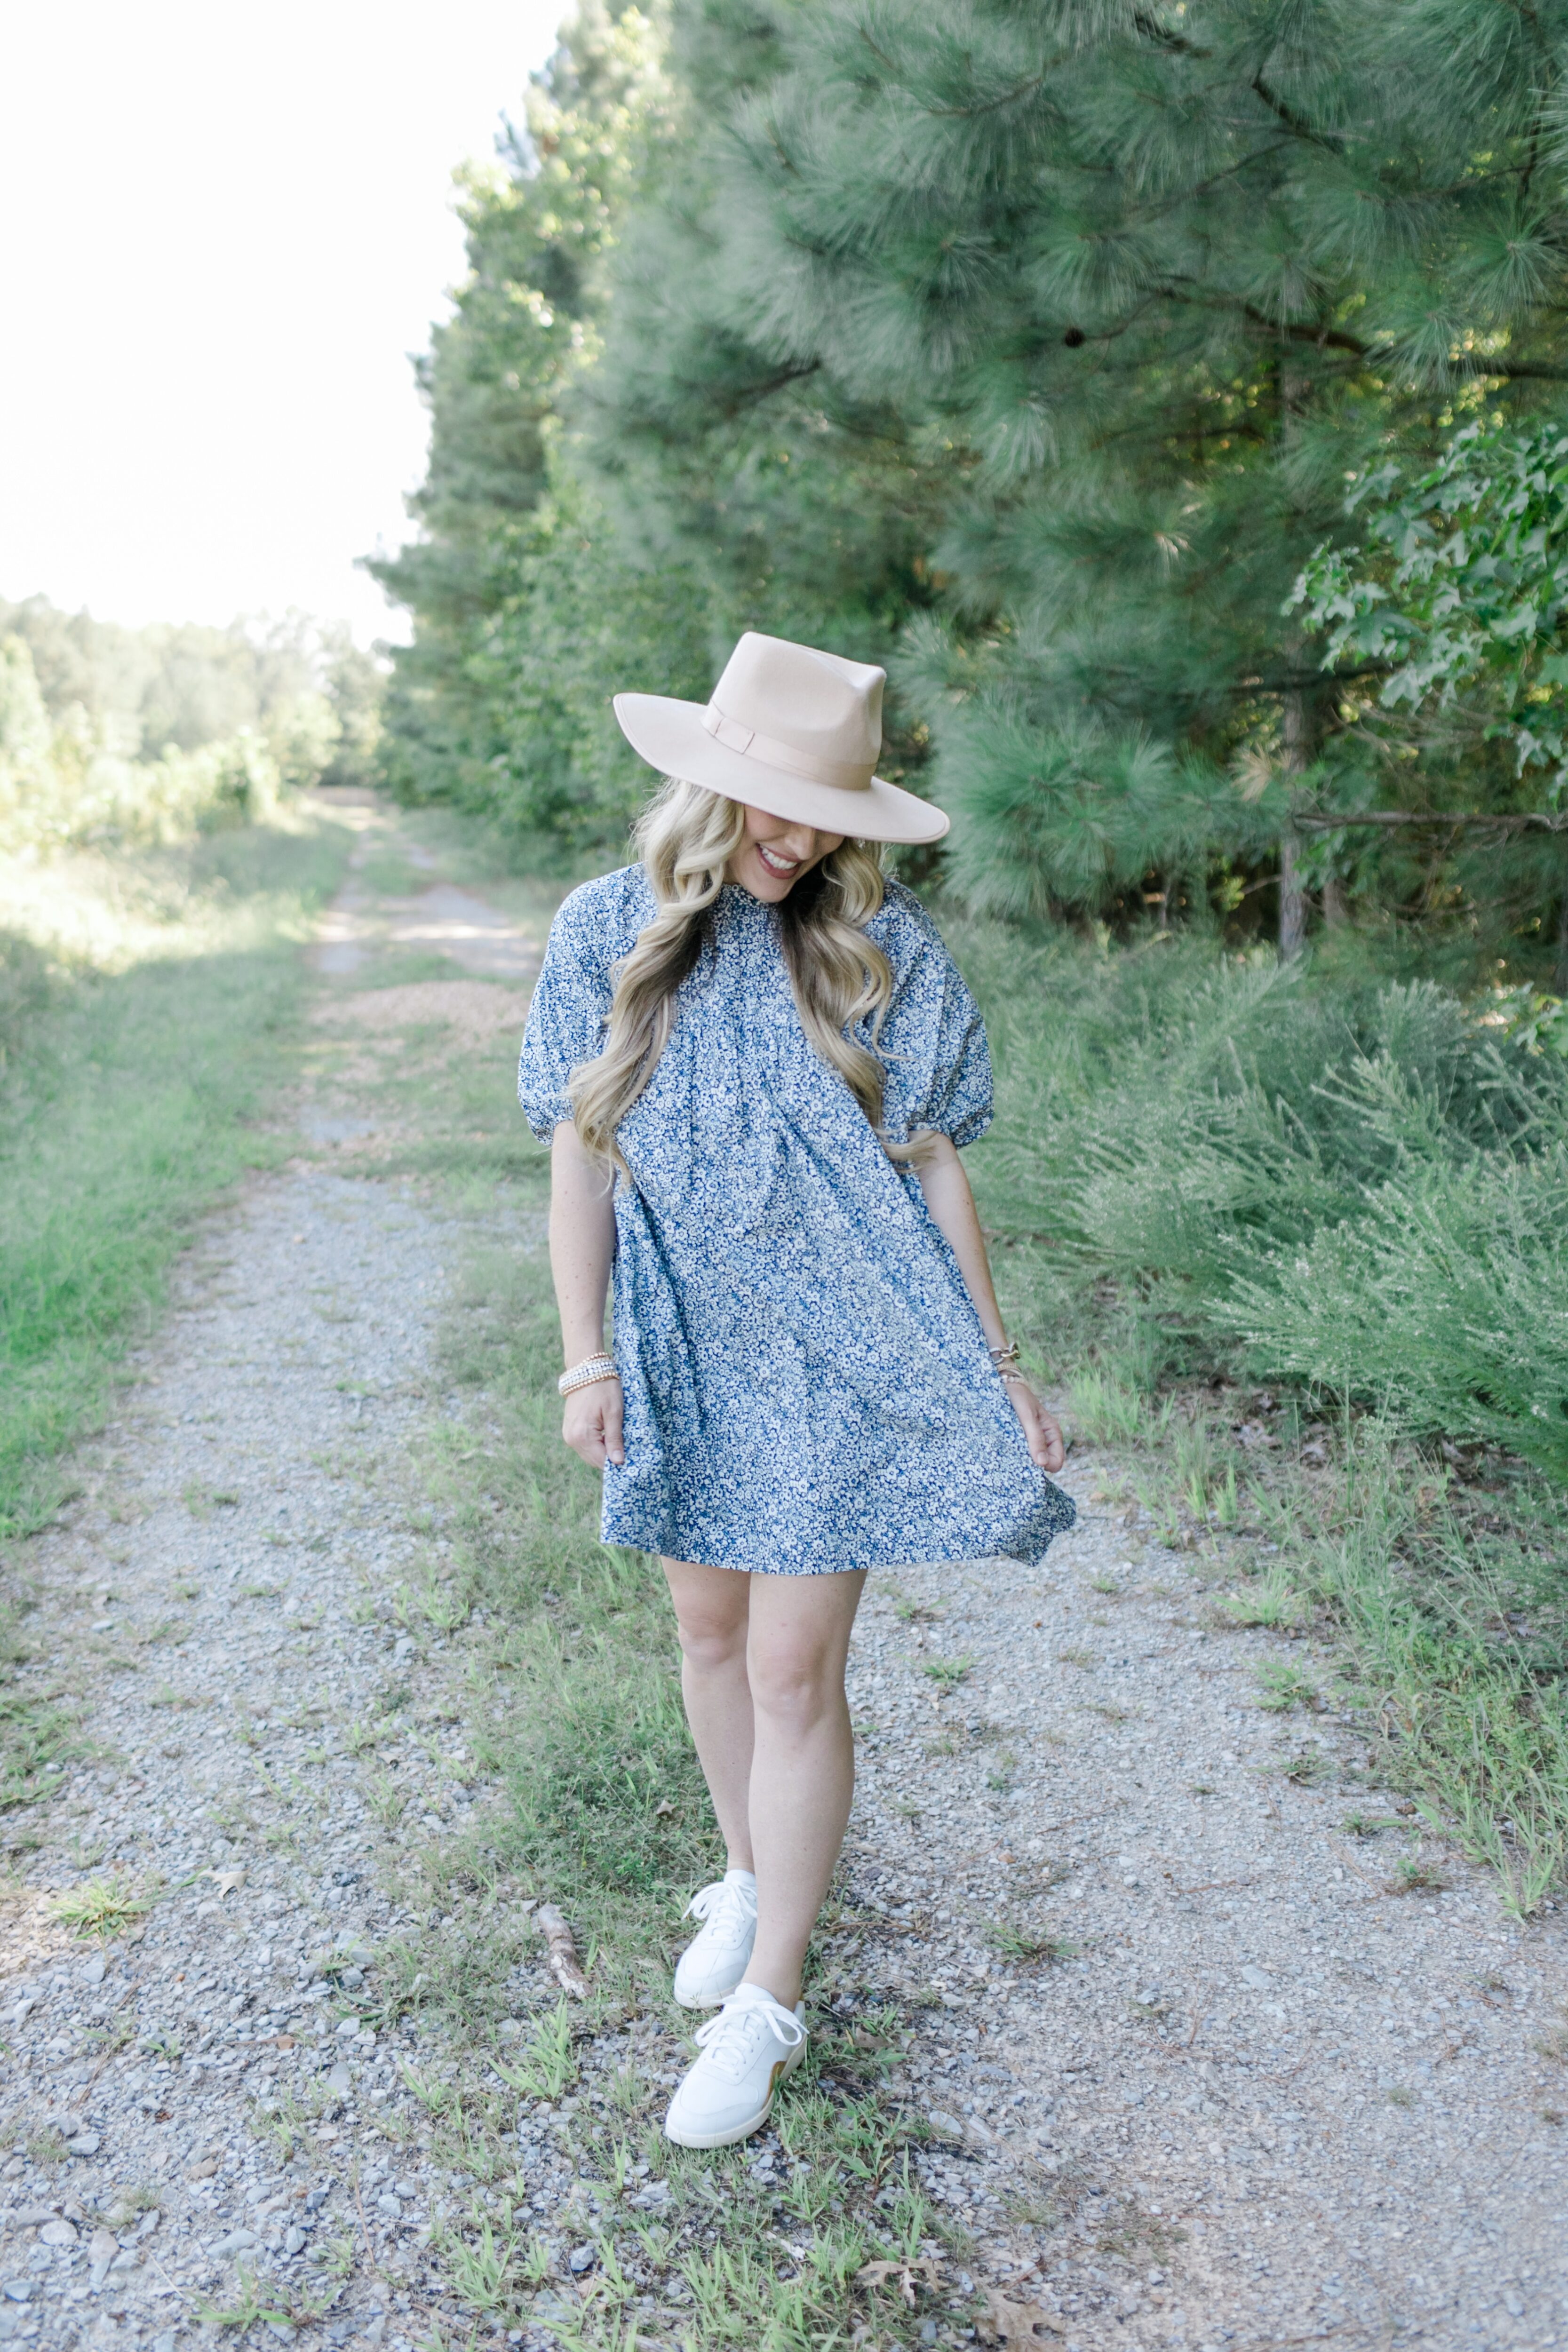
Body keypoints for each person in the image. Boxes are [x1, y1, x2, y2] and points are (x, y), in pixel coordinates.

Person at [517, 631, 1074, 2150]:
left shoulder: (875, 952)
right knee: (706, 1631)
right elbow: (581, 1154)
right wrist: (588, 1348)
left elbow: (935, 1164)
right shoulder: (599, 934)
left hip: (846, 1345)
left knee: (790, 1670)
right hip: (685, 1336)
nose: (803, 839)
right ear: (705, 787)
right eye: (778, 808)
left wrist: (999, 1364)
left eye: (829, 815)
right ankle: (747, 1868)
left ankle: (768, 1999)